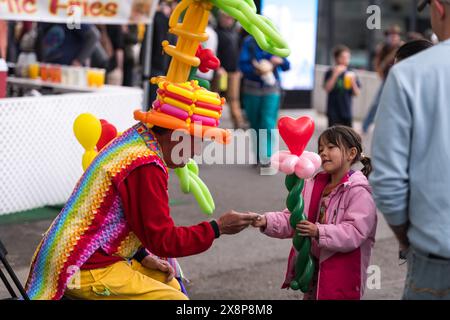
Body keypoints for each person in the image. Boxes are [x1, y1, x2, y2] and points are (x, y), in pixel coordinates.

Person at [25, 109, 258, 300]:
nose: (197, 152)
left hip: (88, 257)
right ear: (176, 134)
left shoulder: (139, 137)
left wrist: (142, 255)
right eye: (197, 141)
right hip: (81, 266)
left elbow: (123, 219)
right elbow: (164, 240)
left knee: (171, 284)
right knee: (176, 301)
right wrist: (218, 228)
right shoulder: (145, 165)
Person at [370, 0, 450, 300]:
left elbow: (388, 182)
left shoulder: (410, 73)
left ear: (439, 8)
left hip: (437, 262)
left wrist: (407, 240)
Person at [252, 126, 377, 300]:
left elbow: (355, 232)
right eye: (321, 149)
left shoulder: (359, 191)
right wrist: (265, 220)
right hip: (314, 271)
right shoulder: (314, 184)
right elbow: (294, 218)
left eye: (331, 147)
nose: (324, 152)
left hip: (341, 275)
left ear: (351, 153)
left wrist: (319, 231)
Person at [239, 35, 290, 166]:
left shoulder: (275, 41)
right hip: (252, 88)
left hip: (271, 89)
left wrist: (279, 61)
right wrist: (257, 70)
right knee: (255, 123)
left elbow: (287, 65)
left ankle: (266, 157)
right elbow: (242, 65)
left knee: (267, 123)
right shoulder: (249, 42)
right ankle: (258, 156)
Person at [215, 11, 246, 129]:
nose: (229, 20)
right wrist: (218, 67)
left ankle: (238, 122)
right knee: (215, 97)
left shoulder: (234, 34)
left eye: (231, 18)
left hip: (234, 71)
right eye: (226, 18)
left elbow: (238, 52)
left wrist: (239, 69)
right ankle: (211, 122)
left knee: (234, 98)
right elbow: (214, 51)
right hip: (220, 71)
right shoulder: (217, 32)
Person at [323, 45, 361, 128]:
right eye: (343, 57)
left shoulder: (351, 73)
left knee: (348, 138)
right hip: (333, 111)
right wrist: (335, 74)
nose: (346, 60)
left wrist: (353, 82)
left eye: (348, 57)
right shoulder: (330, 72)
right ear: (337, 58)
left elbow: (357, 93)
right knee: (333, 137)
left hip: (346, 111)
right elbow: (327, 88)